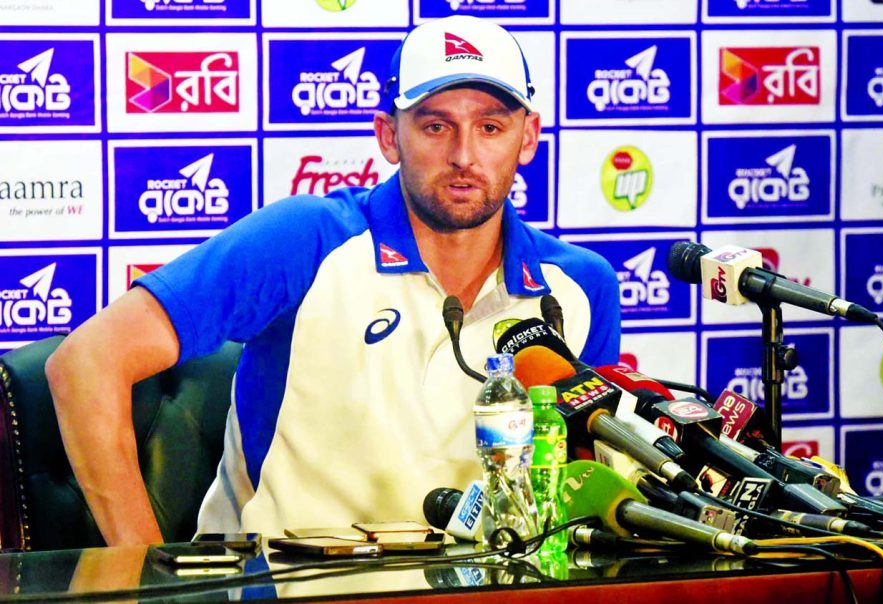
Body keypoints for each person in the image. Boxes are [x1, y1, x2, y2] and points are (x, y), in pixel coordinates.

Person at [45, 15, 621, 545]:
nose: (464, 155)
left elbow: (585, 484)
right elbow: (87, 362)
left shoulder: (580, 286)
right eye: (436, 126)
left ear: (528, 138)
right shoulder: (306, 241)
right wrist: (145, 577)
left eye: (491, 126)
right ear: (389, 136)